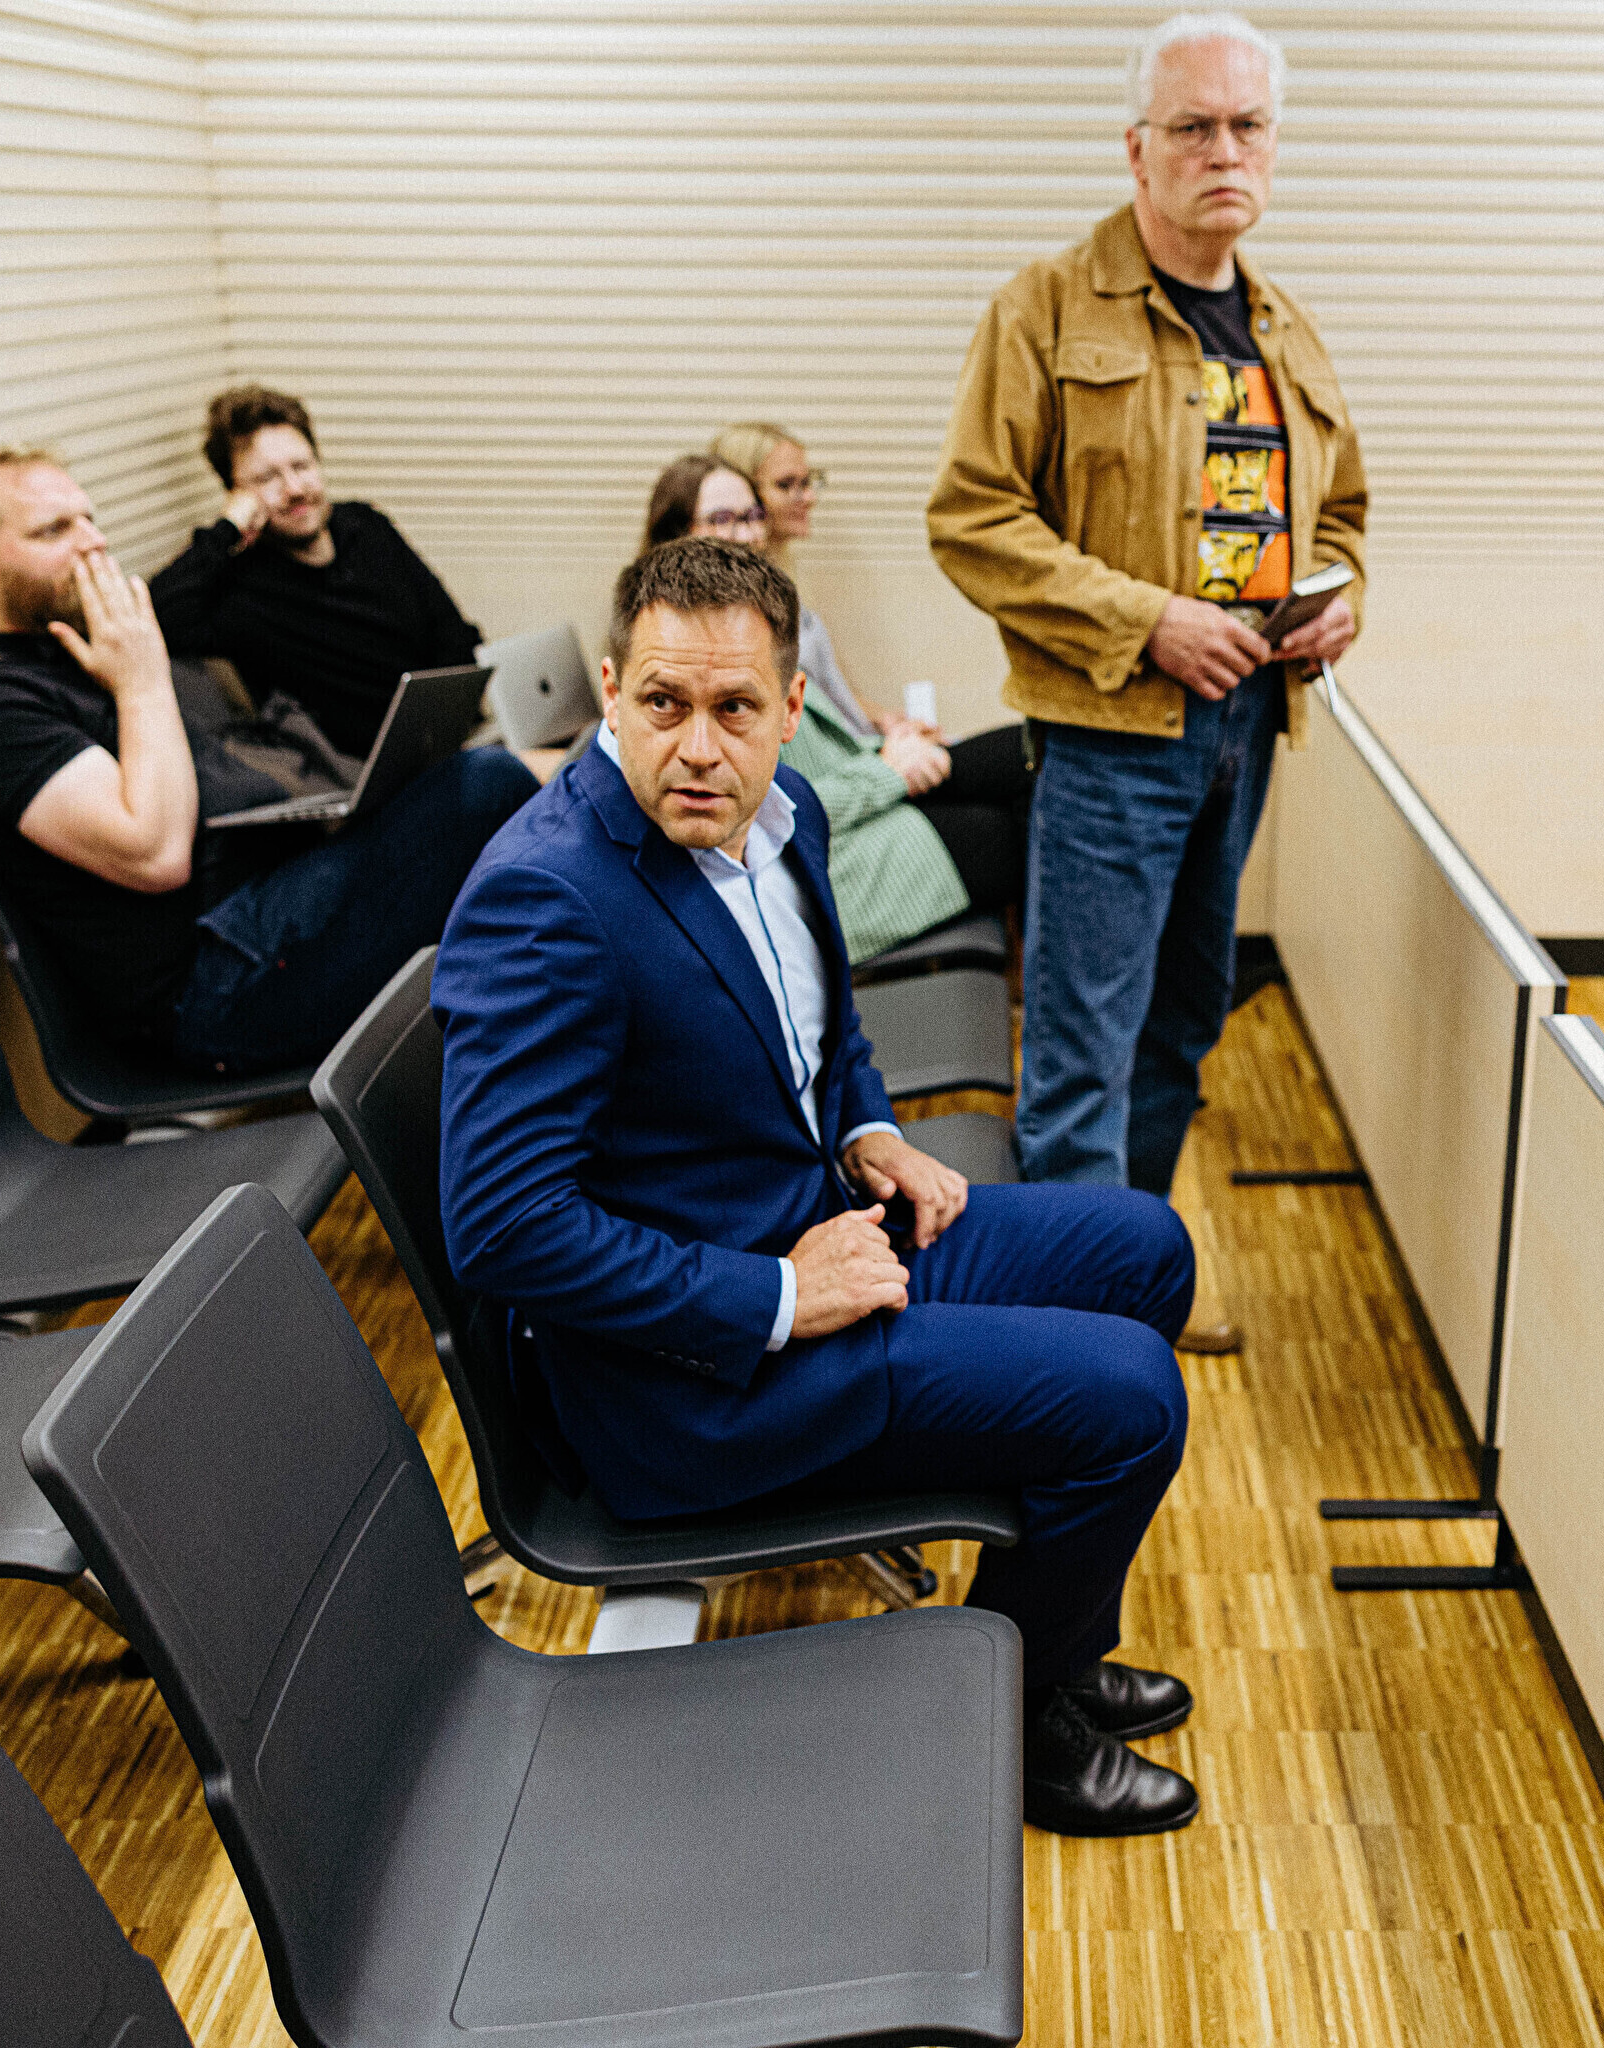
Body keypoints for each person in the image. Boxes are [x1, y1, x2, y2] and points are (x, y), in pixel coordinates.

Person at [435, 538, 1204, 1837]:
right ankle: (1022, 1718)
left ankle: (1051, 1643)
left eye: (735, 708)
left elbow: (823, 1024)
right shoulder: (546, 899)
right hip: (691, 1374)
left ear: (791, 707)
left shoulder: (781, 814)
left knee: (1145, 1248)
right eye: (662, 703)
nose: (697, 747)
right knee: (1130, 1398)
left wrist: (867, 1126)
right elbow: (503, 1230)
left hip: (811, 1219)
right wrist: (783, 1294)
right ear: (611, 690)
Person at [928, 10, 1368, 1321]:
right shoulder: (1046, 307)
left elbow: (1341, 514)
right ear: (1137, 149)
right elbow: (972, 518)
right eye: (1193, 127)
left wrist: (1342, 595)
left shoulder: (1287, 331)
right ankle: (1068, 1356)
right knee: (1083, 1059)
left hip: (1246, 732)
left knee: (1182, 1026)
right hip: (1112, 735)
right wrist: (1146, 618)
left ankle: (1126, 1293)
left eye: (1248, 127)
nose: (1224, 151)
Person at [0, 446, 536, 1074]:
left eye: (90, 520)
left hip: (267, 901)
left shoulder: (77, 654)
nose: (94, 543)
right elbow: (156, 855)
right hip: (209, 990)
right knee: (485, 787)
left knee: (489, 799)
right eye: (55, 530)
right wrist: (142, 680)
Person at [645, 454, 1020, 961]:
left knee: (1033, 754)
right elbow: (759, 814)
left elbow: (826, 739)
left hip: (859, 807)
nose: (748, 534)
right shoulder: (692, 662)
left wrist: (893, 744)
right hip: (820, 863)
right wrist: (888, 771)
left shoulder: (754, 621)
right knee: (1021, 825)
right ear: (675, 537)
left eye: (753, 516)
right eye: (724, 519)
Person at [148, 383, 486, 760]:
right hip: (363, 778)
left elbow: (452, 631)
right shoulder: (240, 592)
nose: (294, 488)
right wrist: (227, 529)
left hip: (452, 744)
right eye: (267, 478)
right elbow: (155, 616)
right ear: (236, 495)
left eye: (301, 466)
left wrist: (452, 724)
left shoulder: (366, 527)